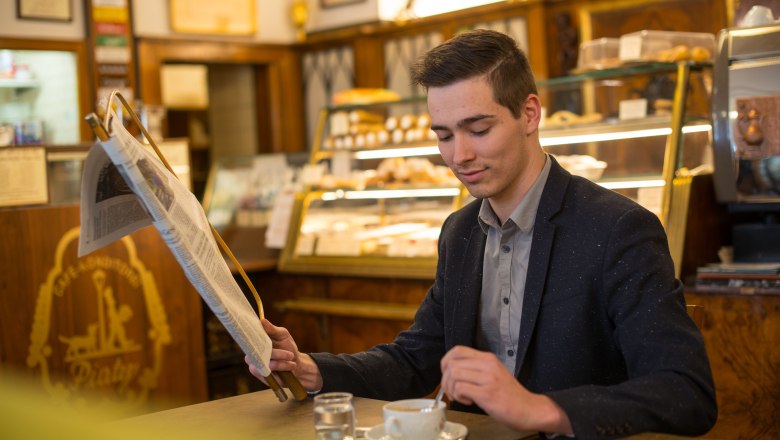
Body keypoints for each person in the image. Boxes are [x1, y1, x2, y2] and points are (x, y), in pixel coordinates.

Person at [247, 29, 717, 438]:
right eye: (445, 135)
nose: (459, 155)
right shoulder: (460, 232)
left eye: (478, 128)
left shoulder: (618, 228)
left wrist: (542, 409)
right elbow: (415, 359)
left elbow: (686, 392)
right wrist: (310, 369)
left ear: (530, 114)